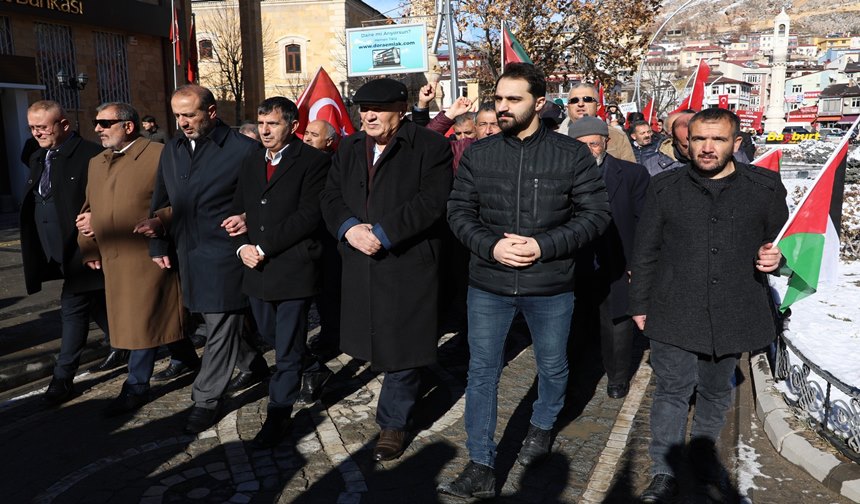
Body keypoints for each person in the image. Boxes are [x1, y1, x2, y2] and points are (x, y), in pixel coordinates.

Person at [440, 63, 611, 499]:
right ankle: (480, 462)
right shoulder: (480, 153)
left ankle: (541, 425)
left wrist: (544, 246)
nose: (502, 107)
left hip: (551, 285)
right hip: (489, 284)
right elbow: (458, 213)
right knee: (481, 373)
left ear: (539, 103)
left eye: (512, 100)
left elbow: (596, 215)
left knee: (552, 367)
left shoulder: (570, 154)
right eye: (498, 99)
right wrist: (491, 246)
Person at [629, 108, 788, 502]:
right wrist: (639, 304)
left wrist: (778, 259)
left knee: (717, 391)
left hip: (734, 306)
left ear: (736, 144)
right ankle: (663, 471)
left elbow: (784, 242)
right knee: (672, 390)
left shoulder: (765, 187)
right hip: (673, 306)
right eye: (699, 138)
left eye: (717, 139)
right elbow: (646, 250)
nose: (707, 147)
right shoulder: (665, 187)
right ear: (687, 141)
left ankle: (701, 458)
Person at [319, 78, 453, 462]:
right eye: (363, 109)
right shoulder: (349, 146)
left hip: (408, 261)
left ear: (401, 110)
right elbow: (329, 195)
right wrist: (348, 228)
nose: (369, 116)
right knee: (371, 336)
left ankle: (393, 423)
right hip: (359, 261)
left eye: (378, 109)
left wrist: (383, 233)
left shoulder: (430, 145)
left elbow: (432, 201)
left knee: (405, 345)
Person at [136, 85, 268, 434]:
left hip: (228, 252)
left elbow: (266, 199)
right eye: (177, 115)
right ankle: (254, 365)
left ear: (211, 112)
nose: (183, 123)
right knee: (210, 321)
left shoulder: (244, 150)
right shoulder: (173, 149)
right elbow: (161, 201)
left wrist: (249, 221)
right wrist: (158, 244)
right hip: (186, 252)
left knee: (221, 321)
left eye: (190, 115)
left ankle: (206, 399)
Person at [75, 102, 199, 416]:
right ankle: (186, 358)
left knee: (142, 319)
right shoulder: (96, 162)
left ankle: (136, 385)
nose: (98, 129)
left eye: (105, 123)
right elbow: (87, 211)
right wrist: (87, 246)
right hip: (113, 256)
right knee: (156, 318)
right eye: (96, 122)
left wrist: (161, 221)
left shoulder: (160, 155)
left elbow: (183, 202)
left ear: (128, 126)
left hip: (151, 255)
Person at [230, 96, 331, 447]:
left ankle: (278, 415)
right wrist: (242, 242)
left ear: (292, 125)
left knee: (285, 350)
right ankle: (315, 367)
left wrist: (262, 247)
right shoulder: (252, 159)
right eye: (261, 124)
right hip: (256, 269)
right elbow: (241, 206)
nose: (265, 130)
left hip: (293, 267)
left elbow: (308, 215)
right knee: (273, 336)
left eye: (272, 124)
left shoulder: (313, 161)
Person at [20, 100, 111, 404]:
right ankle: (130, 344)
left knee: (72, 309)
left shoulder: (90, 155)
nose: (37, 133)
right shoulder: (37, 156)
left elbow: (106, 200)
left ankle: (63, 378)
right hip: (51, 248)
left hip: (82, 247)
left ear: (64, 125)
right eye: (32, 128)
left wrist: (94, 234)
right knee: (96, 300)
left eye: (43, 127)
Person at [569, 117, 649, 399]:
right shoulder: (559, 174)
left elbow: (644, 225)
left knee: (617, 323)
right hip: (573, 264)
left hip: (617, 262)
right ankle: (575, 374)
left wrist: (637, 265)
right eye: (581, 145)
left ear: (606, 142)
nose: (589, 149)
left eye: (593, 143)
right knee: (574, 323)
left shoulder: (632, 174)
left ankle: (617, 377)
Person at [560, 83, 636, 163]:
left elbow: (630, 172)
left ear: (598, 106)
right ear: (567, 107)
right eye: (574, 100)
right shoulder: (553, 139)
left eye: (587, 99)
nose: (580, 104)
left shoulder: (617, 136)